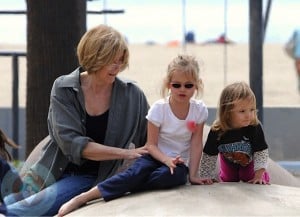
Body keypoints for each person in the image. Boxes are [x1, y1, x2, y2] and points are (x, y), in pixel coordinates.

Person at [0, 24, 149, 216]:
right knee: (7, 204)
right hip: (47, 170)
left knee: (17, 213)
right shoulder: (64, 88)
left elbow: (150, 135)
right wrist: (125, 153)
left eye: (121, 60)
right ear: (95, 57)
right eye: (111, 60)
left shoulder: (133, 95)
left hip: (89, 177)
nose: (117, 66)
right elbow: (74, 144)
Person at [58, 54, 213, 216]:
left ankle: (126, 185)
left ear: (197, 85)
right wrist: (166, 159)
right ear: (168, 84)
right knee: (135, 173)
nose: (182, 89)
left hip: (177, 164)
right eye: (177, 85)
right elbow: (150, 145)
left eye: (188, 85)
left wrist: (194, 175)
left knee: (176, 177)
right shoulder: (159, 109)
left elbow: (196, 143)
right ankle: (83, 197)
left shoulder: (199, 110)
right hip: (154, 157)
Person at [199, 81, 270, 185]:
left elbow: (261, 152)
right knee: (228, 179)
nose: (248, 115)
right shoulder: (218, 130)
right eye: (242, 111)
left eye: (252, 110)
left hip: (249, 162)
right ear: (227, 112)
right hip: (228, 161)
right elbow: (209, 154)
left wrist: (259, 175)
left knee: (248, 176)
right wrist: (206, 176)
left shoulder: (254, 126)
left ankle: (263, 176)